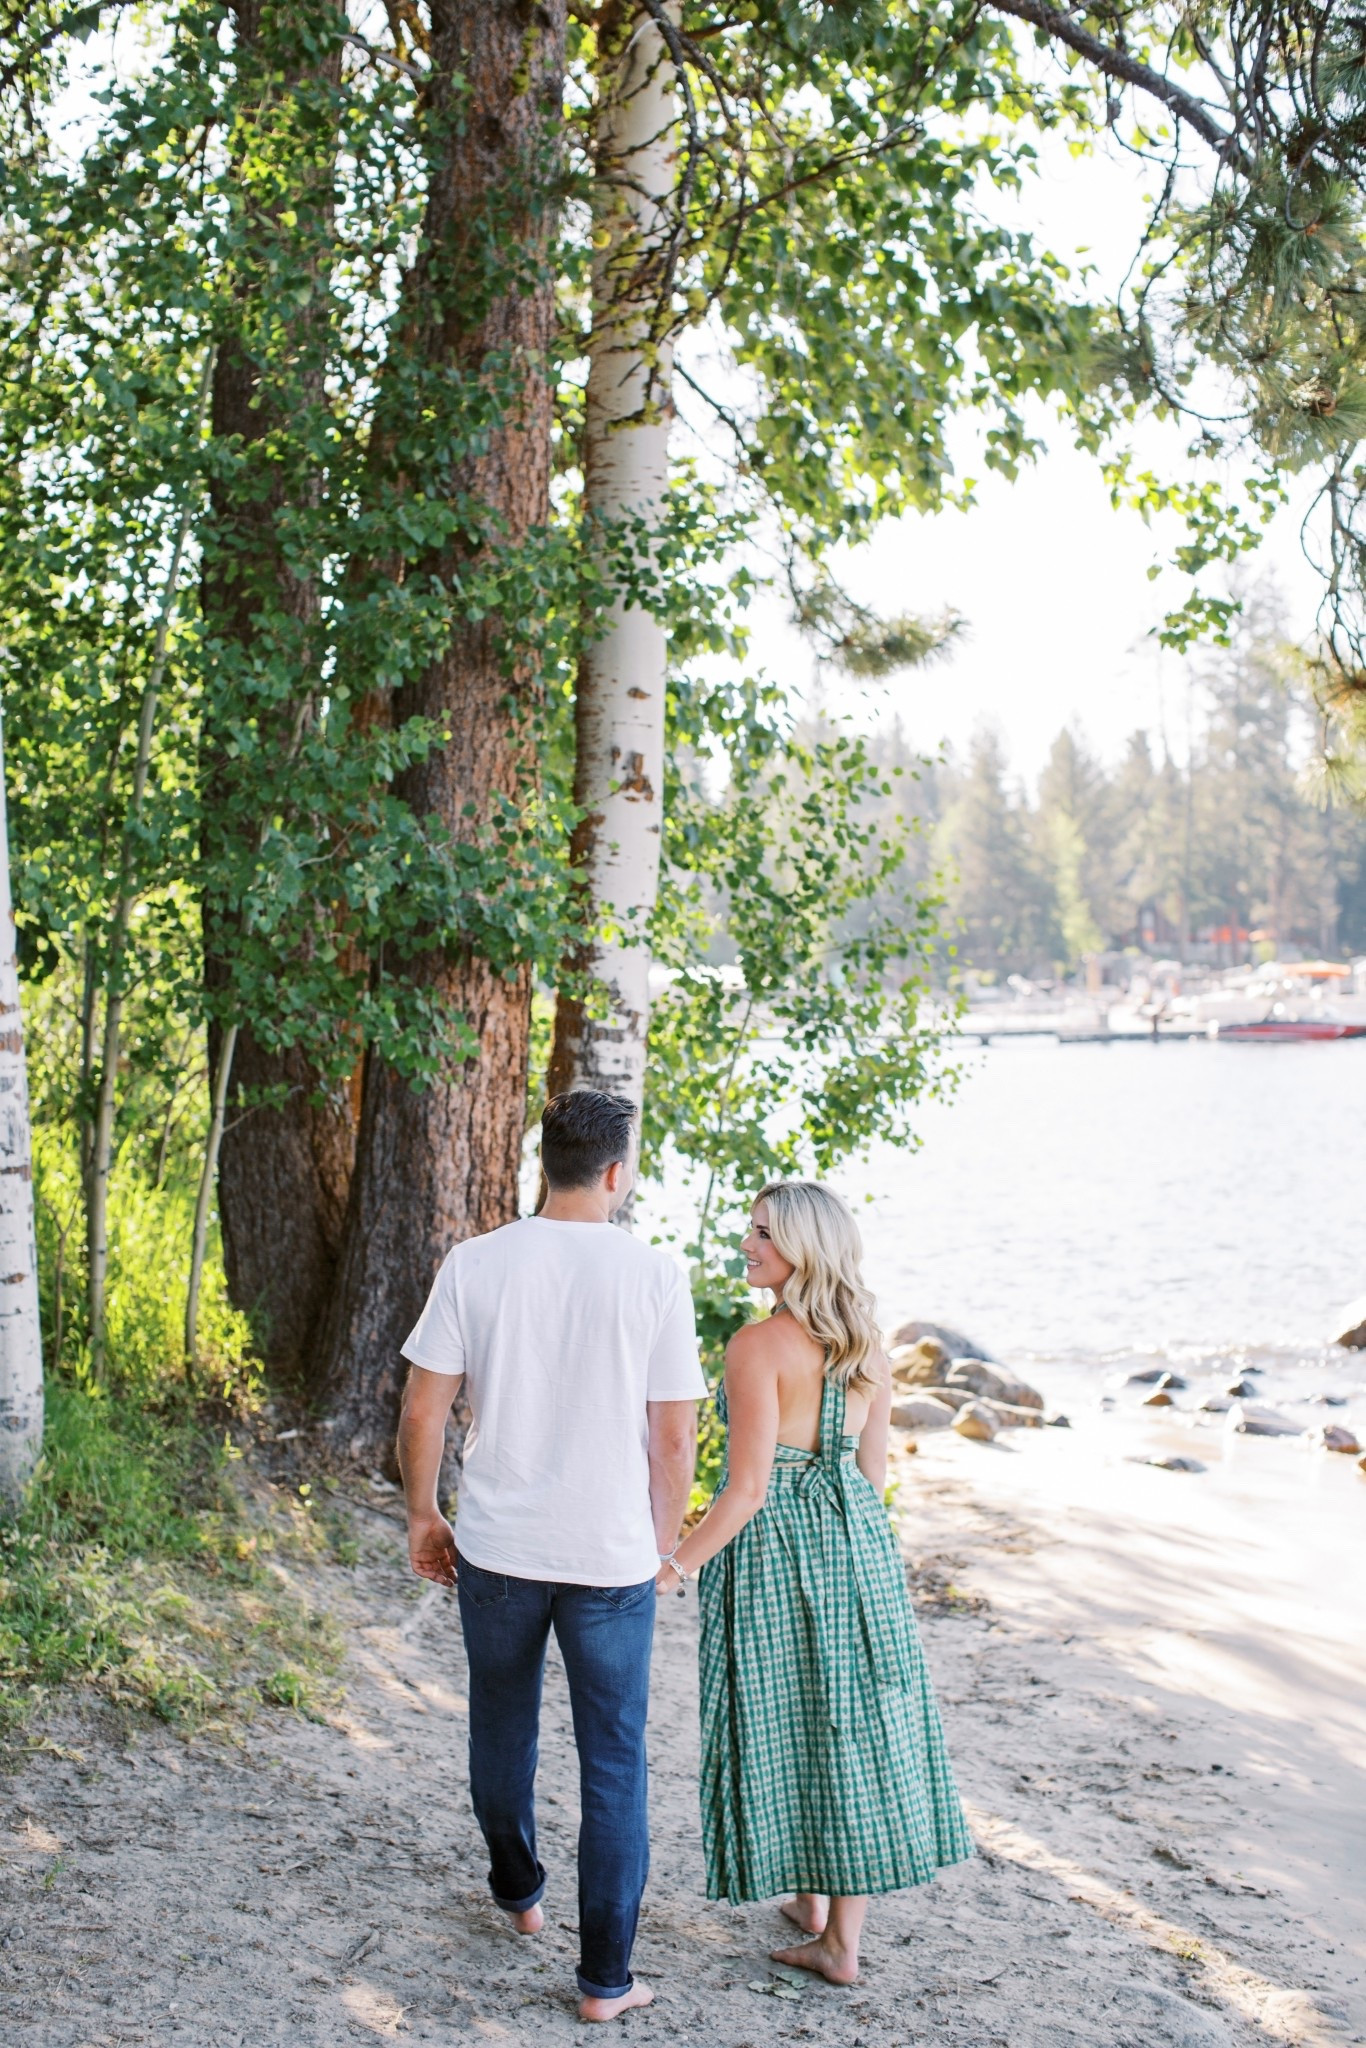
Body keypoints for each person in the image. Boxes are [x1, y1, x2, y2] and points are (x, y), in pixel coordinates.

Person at [397, 1089, 705, 2022]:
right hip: (610, 1559)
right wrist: (662, 1545)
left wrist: (422, 1515)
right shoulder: (655, 1272)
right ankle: (605, 1981)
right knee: (615, 1760)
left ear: (548, 1165)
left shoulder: (477, 1262)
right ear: (617, 1173)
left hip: (498, 1547)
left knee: (500, 1725)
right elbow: (674, 1439)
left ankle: (519, 1888)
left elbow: (422, 1410)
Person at [655, 1179, 973, 1985]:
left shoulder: (756, 1348)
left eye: (764, 1232)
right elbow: (872, 1474)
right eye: (751, 1228)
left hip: (776, 1551)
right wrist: (868, 1562)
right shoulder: (866, 1342)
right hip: (858, 1545)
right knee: (851, 1717)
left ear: (804, 1248)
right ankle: (821, 1910)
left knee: (788, 1713)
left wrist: (675, 1564)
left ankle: (834, 1944)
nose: (747, 1242)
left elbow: (749, 1489)